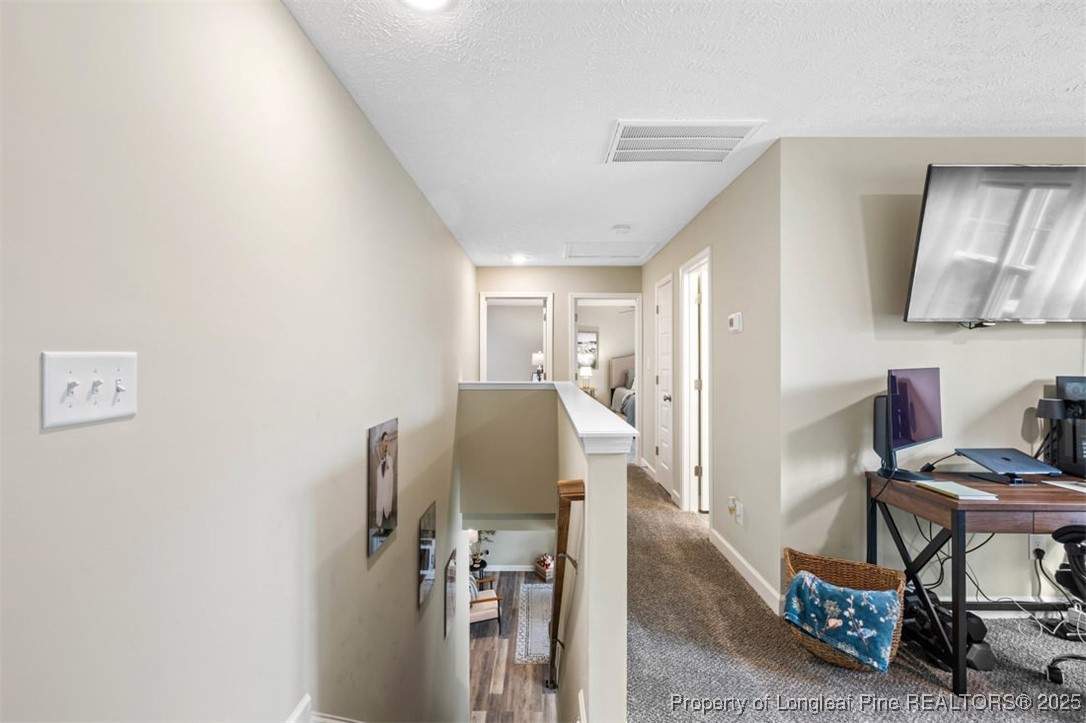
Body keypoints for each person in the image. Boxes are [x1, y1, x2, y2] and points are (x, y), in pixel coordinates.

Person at [375, 431, 395, 528]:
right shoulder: (379, 453)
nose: (386, 443)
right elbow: (379, 469)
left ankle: (386, 518)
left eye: (387, 441)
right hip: (381, 485)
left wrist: (387, 461)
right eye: (385, 441)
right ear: (382, 441)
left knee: (387, 499)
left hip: (387, 485)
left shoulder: (389, 455)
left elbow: (390, 469)